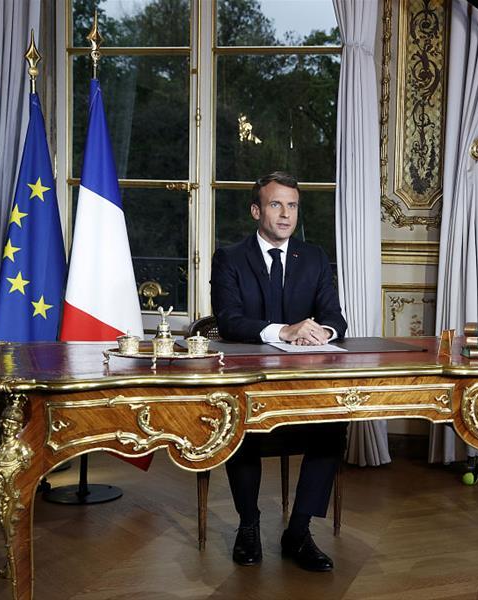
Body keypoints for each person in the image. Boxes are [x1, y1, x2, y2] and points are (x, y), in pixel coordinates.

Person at [210, 171, 347, 572]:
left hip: (303, 384)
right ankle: (249, 525)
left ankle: (298, 531)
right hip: (251, 383)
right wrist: (284, 331)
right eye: (276, 205)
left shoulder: (314, 257)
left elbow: (335, 317)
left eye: (292, 206)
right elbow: (229, 321)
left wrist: (322, 331)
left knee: (334, 426)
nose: (286, 214)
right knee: (239, 427)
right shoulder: (230, 258)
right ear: (256, 211)